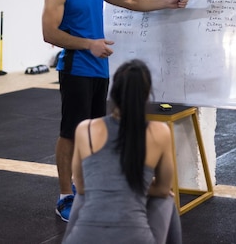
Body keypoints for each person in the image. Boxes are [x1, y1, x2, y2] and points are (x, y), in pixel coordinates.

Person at [41, 0, 189, 222]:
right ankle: (64, 196)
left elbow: (131, 1)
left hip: (99, 69)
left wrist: (167, 3)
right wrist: (88, 44)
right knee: (70, 133)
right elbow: (48, 33)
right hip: (76, 68)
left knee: (96, 132)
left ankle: (86, 187)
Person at [63, 59, 181, 243]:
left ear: (114, 92)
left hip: (83, 238)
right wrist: (136, 185)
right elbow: (164, 189)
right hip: (135, 238)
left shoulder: (85, 129)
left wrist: (107, 184)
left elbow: (81, 186)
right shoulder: (160, 132)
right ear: (146, 95)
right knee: (166, 200)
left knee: (83, 197)